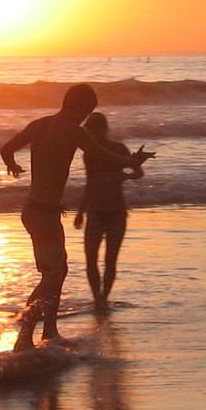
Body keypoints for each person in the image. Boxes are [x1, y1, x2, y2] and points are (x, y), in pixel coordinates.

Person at [1, 84, 154, 351]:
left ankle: (50, 332)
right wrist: (132, 162)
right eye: (86, 111)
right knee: (52, 275)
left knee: (58, 272)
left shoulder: (39, 124)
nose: (86, 118)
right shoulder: (73, 130)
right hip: (43, 216)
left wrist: (12, 165)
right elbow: (103, 155)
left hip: (36, 211)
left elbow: (6, 149)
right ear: (78, 107)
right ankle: (23, 336)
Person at [73, 112, 145, 313]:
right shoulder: (88, 154)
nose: (91, 132)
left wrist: (124, 175)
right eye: (89, 129)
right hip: (95, 211)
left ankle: (104, 298)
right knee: (90, 259)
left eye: (94, 128)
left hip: (117, 211)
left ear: (103, 129)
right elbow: (89, 184)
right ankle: (97, 299)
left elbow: (138, 173)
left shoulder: (118, 148)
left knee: (110, 260)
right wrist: (80, 212)